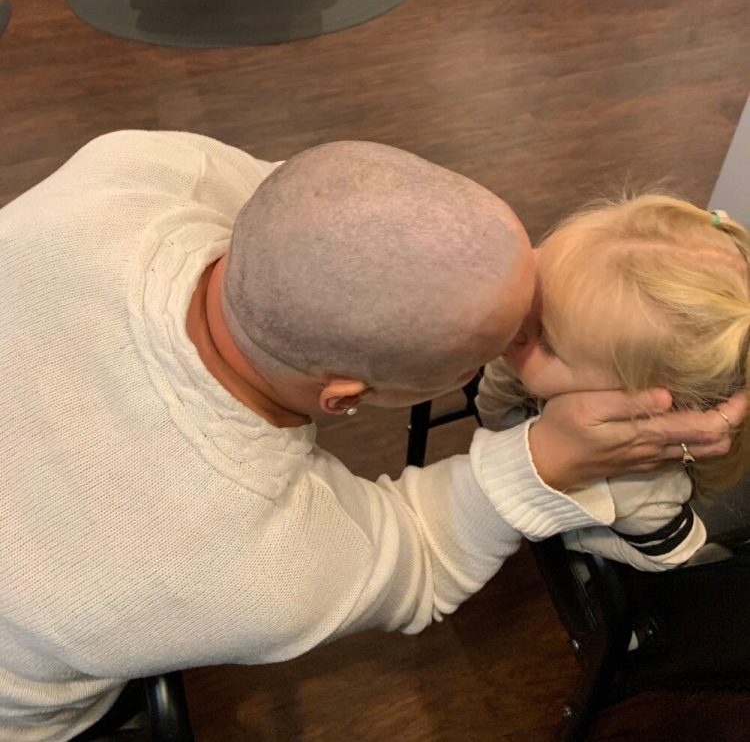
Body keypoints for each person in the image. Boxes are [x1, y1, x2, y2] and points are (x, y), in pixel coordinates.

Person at [0, 131, 743, 742]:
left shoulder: (127, 165)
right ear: (347, 394)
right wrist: (544, 460)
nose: (520, 339)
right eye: (502, 337)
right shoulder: (246, 557)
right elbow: (419, 555)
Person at [478, 194, 750, 572]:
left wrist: (581, 538)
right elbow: (491, 412)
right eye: (532, 291)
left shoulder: (639, 492)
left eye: (546, 341)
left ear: (638, 400)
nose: (515, 325)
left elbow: (672, 555)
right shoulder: (526, 359)